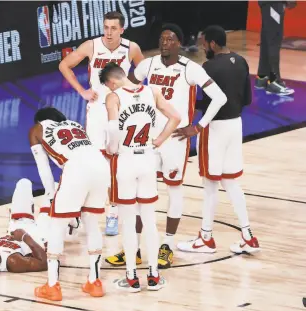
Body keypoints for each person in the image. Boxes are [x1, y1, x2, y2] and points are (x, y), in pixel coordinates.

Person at [105, 23, 227, 269]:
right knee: (140, 195)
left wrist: (199, 126)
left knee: (173, 190)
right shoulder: (147, 65)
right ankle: (135, 248)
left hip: (175, 140)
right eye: (162, 39)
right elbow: (127, 90)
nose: (164, 43)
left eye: (170, 39)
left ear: (179, 43)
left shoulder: (190, 68)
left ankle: (167, 246)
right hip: (148, 140)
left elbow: (220, 97)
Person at [59, 11, 145, 236]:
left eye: (113, 28)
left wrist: (132, 90)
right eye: (106, 27)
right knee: (95, 163)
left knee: (118, 164)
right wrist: (81, 91)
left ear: (122, 30)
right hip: (97, 112)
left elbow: (145, 71)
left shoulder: (131, 48)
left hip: (121, 111)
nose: (108, 32)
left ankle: (113, 213)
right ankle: (79, 211)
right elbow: (64, 65)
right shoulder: (91, 46)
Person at [176, 25, 260, 254]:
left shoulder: (209, 67)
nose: (203, 47)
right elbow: (247, 99)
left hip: (215, 129)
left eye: (204, 43)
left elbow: (208, 101)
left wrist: (192, 113)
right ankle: (248, 235)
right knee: (231, 182)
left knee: (210, 185)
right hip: (236, 126)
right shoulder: (241, 61)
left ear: (212, 43)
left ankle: (205, 238)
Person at [100, 63, 181, 292]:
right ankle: (154, 275)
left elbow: (114, 129)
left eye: (107, 85)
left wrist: (112, 148)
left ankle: (132, 278)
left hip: (126, 160)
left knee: (128, 221)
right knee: (149, 221)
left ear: (112, 82)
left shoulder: (114, 97)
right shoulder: (152, 91)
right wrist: (159, 140)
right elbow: (175, 116)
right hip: (147, 159)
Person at [29, 107, 110, 301]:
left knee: (57, 226)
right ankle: (95, 282)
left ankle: (52, 286)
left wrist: (51, 196)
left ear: (40, 120)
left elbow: (44, 168)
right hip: (101, 167)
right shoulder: (75, 124)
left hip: (76, 170)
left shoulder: (36, 129)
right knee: (92, 223)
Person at [255, 1, 296, 95]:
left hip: (269, 3)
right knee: (274, 39)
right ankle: (274, 81)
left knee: (267, 39)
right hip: (273, 3)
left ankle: (263, 77)